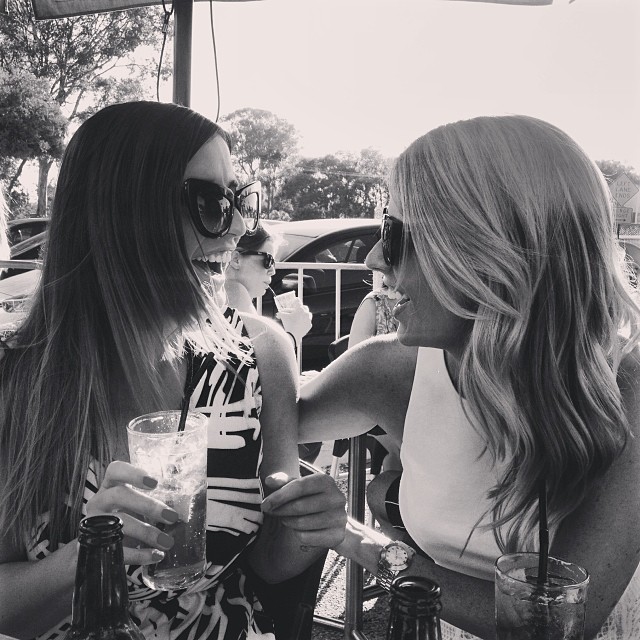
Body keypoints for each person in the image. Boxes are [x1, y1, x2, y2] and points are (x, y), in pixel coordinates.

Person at [0, 101, 346, 640]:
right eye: (210, 201)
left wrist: (308, 525)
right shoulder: (17, 380)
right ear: (122, 213)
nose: (237, 228)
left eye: (238, 199)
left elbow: (270, 567)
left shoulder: (261, 355)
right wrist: (85, 558)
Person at [296, 115, 640, 640]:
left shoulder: (625, 391)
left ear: (484, 252)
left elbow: (550, 623)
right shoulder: (393, 369)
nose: (373, 259)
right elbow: (260, 421)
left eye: (393, 235)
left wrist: (356, 539)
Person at [224, 224, 313, 355]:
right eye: (268, 260)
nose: (272, 271)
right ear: (236, 259)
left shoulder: (224, 291)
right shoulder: (234, 291)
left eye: (273, 263)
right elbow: (257, 360)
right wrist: (293, 334)